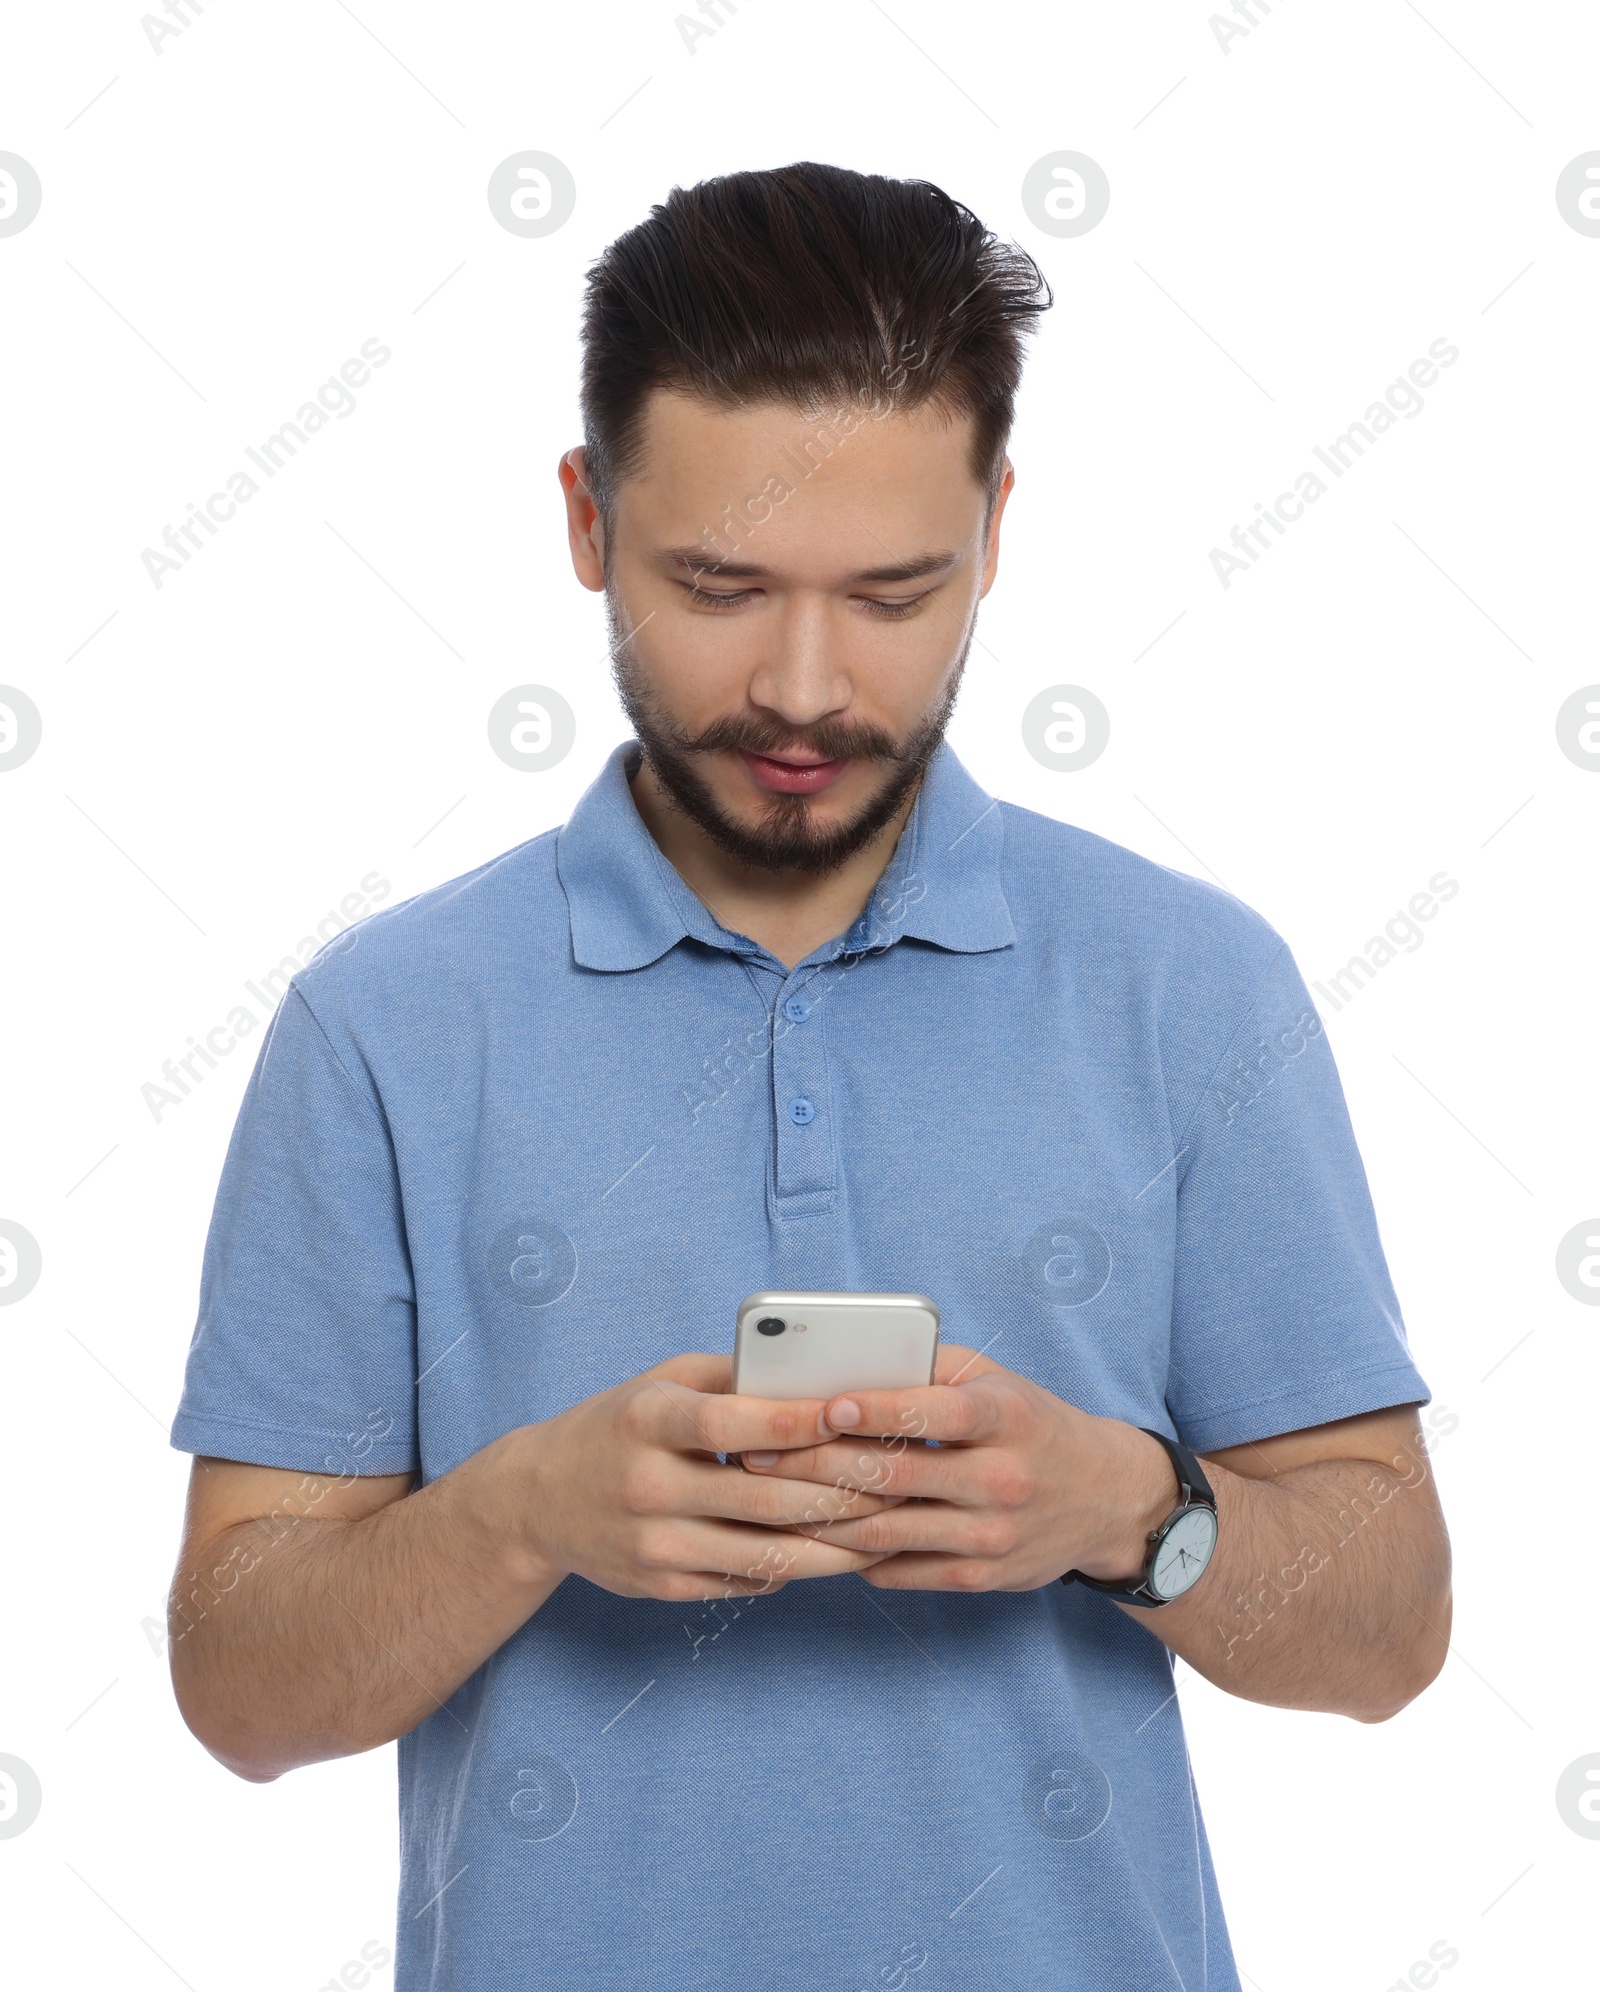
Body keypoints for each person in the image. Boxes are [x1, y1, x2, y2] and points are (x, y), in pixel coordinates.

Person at [167, 161, 1451, 1991]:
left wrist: (1127, 1513)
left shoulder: (1189, 985)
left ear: (997, 530)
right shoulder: (383, 1023)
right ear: (586, 521)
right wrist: (527, 1510)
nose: (801, 687)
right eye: (719, 583)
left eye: (893, 592)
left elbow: (1391, 1633)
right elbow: (239, 1685)